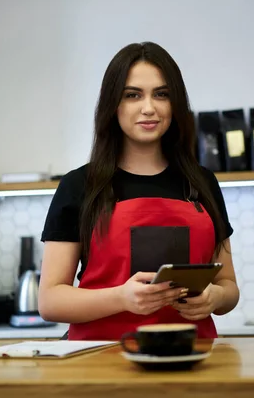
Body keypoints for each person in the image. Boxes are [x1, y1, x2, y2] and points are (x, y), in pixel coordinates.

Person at [38, 41, 239, 341]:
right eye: (133, 95)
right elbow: (50, 301)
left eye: (161, 94)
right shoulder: (79, 186)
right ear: (113, 105)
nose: (149, 108)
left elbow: (229, 286)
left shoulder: (202, 182)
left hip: (190, 362)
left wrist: (215, 299)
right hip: (99, 365)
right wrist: (121, 298)